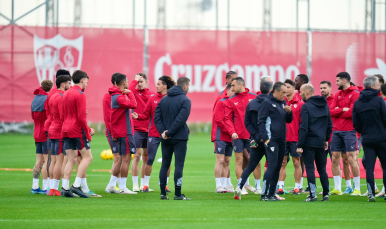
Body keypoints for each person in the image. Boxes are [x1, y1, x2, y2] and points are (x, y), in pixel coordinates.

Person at [132, 75, 176, 193]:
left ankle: (165, 185)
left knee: (167, 160)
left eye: (158, 84)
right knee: (149, 159)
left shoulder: (171, 98)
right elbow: (146, 114)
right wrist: (138, 116)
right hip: (153, 134)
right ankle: (145, 185)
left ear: (165, 86)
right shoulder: (152, 98)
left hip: (168, 134)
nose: (156, 86)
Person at [234, 81, 273, 200]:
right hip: (268, 140)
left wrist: (255, 137)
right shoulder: (271, 103)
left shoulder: (251, 103)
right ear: (271, 90)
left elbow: (247, 122)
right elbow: (269, 123)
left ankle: (239, 187)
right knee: (272, 165)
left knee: (251, 165)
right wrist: (263, 137)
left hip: (255, 141)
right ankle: (267, 192)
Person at [154, 76, 192, 200]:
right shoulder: (185, 100)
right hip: (179, 137)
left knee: (165, 164)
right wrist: (170, 132)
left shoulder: (164, 99)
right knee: (179, 165)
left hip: (165, 138)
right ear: (185, 86)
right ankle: (177, 194)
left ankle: (162, 194)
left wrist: (163, 132)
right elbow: (181, 119)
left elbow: (157, 118)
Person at [297, 84, 333, 202]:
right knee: (322, 168)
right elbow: (329, 125)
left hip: (309, 142)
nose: (300, 94)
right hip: (321, 142)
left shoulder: (306, 106)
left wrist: (300, 145)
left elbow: (304, 127)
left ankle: (313, 195)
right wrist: (326, 139)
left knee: (310, 168)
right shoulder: (325, 105)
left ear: (307, 92)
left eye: (301, 91)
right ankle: (326, 194)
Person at [352, 75, 386, 202]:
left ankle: (371, 193)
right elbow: (385, 118)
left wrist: (363, 132)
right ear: (372, 86)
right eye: (378, 85)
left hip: (367, 139)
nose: (379, 87)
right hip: (382, 138)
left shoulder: (357, 103)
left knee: (369, 168)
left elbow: (356, 123)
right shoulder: (379, 101)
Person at [258, 82, 293, 201]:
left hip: (282, 140)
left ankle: (272, 194)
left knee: (278, 167)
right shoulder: (267, 103)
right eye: (283, 92)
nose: (285, 95)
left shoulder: (283, 102)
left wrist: (289, 113)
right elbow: (261, 121)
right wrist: (266, 138)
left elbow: (287, 120)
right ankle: (264, 194)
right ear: (276, 91)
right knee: (272, 166)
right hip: (271, 140)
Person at [61, 70, 94, 198]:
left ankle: (65, 187)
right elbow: (81, 118)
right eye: (86, 81)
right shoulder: (80, 94)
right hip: (76, 129)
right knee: (88, 157)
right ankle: (76, 185)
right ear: (82, 80)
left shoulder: (66, 92)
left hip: (66, 128)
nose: (87, 83)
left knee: (72, 159)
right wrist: (88, 133)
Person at [105, 73, 138, 194]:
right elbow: (134, 105)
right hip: (125, 132)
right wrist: (130, 93)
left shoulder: (114, 96)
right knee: (126, 159)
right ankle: (123, 188)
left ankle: (111, 185)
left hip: (120, 131)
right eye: (128, 81)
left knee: (119, 160)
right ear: (124, 83)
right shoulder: (119, 97)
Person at [224, 77, 257, 194]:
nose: (231, 88)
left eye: (233, 85)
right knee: (239, 160)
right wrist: (231, 131)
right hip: (237, 135)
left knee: (250, 159)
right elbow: (227, 118)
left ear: (240, 84)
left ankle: (248, 184)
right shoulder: (231, 100)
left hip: (251, 135)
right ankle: (240, 186)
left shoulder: (253, 97)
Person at [329, 72, 361, 196]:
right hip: (336, 130)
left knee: (351, 158)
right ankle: (337, 188)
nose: (336, 83)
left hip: (350, 130)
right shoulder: (338, 94)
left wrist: (338, 111)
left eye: (337, 81)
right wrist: (342, 109)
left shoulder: (355, 94)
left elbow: (353, 112)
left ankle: (357, 188)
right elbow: (331, 111)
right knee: (335, 157)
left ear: (344, 81)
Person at [211, 71, 238, 192]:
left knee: (227, 161)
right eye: (232, 90)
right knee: (220, 160)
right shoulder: (221, 99)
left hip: (231, 135)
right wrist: (229, 130)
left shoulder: (234, 101)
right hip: (221, 134)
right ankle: (218, 185)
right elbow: (218, 118)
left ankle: (226, 184)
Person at [277, 79, 304, 196]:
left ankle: (297, 187)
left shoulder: (300, 104)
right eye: (284, 87)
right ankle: (280, 187)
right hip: (282, 138)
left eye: (288, 87)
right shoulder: (280, 103)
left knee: (296, 162)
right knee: (282, 163)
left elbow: (303, 123)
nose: (286, 90)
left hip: (295, 138)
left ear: (294, 88)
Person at [129, 73, 155, 192]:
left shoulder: (152, 95)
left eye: (141, 81)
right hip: (137, 128)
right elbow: (128, 89)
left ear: (146, 82)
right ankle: (135, 184)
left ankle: (144, 185)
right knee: (137, 155)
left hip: (149, 129)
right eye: (138, 82)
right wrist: (134, 80)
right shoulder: (133, 92)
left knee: (146, 157)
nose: (139, 84)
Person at [47, 75, 71, 196]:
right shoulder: (62, 97)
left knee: (53, 160)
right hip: (59, 130)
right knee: (60, 161)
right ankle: (55, 189)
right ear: (63, 84)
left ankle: (51, 187)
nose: (70, 86)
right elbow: (63, 116)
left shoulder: (53, 96)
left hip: (52, 129)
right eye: (69, 83)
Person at [30, 79, 53, 194]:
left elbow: (33, 117)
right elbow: (50, 116)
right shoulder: (47, 100)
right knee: (47, 160)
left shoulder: (34, 99)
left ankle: (34, 187)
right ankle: (45, 187)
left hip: (36, 133)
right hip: (45, 134)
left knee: (39, 161)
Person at [103, 73, 121, 190]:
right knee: (118, 158)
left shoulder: (120, 95)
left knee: (119, 158)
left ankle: (116, 185)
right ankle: (112, 185)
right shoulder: (108, 96)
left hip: (121, 131)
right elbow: (107, 117)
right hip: (113, 131)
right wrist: (112, 132)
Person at [294, 74, 309, 191]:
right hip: (295, 132)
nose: (295, 83)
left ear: (303, 82)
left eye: (296, 81)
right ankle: (299, 186)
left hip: (304, 132)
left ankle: (309, 185)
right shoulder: (295, 96)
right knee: (299, 160)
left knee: (305, 159)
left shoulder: (306, 97)